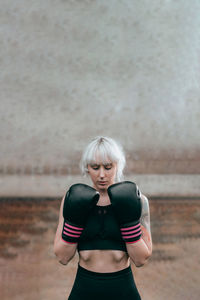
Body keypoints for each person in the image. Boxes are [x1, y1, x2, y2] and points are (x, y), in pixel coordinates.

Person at [54, 136, 152, 300]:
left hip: (123, 289)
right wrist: (75, 223)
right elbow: (62, 257)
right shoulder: (72, 200)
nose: (101, 175)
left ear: (117, 166)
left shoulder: (137, 200)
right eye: (95, 167)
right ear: (87, 168)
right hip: (84, 288)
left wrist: (129, 225)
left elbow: (141, 259)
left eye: (108, 167)